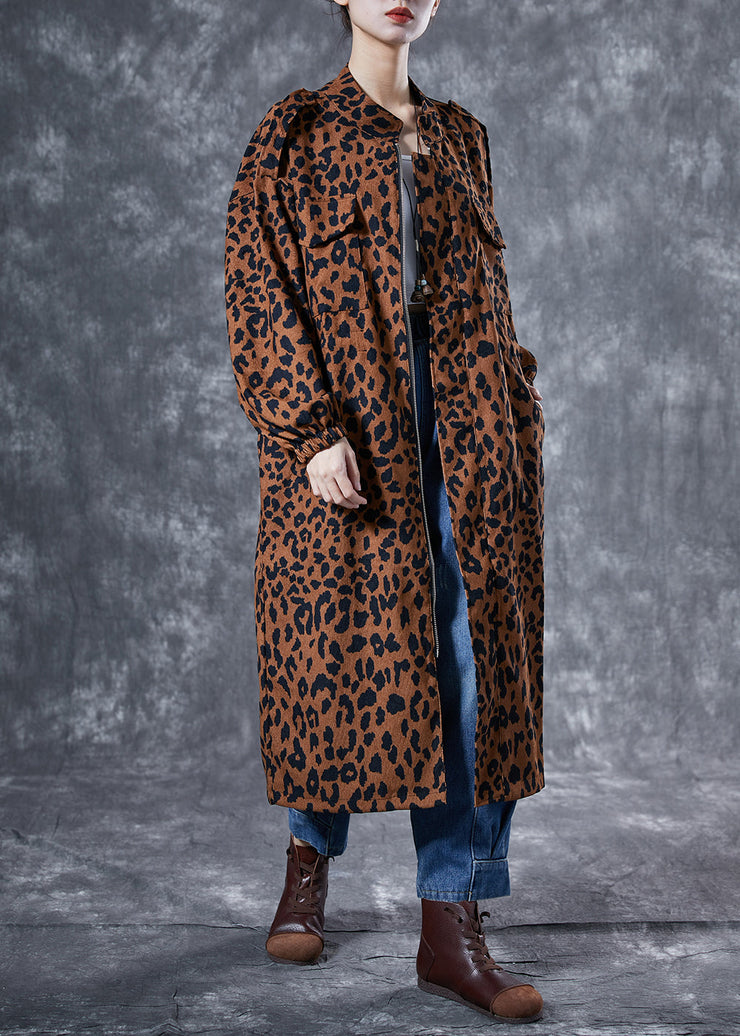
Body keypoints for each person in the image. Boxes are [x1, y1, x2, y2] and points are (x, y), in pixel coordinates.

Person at [224, 0, 546, 1023]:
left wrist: (517, 404)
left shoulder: (461, 136)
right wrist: (307, 426)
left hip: (467, 436)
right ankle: (307, 857)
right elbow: (257, 289)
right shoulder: (295, 132)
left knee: (465, 667)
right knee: (338, 662)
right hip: (353, 431)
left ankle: (449, 923)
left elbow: (486, 293)